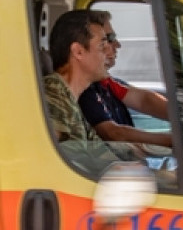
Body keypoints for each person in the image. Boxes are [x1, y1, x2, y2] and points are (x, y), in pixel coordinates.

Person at [40, 10, 134, 173]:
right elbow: (52, 168)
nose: (109, 52)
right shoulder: (53, 94)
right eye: (102, 45)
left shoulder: (72, 101)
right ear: (78, 52)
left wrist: (157, 175)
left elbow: (105, 159)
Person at [79, 10, 173, 151]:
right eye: (108, 39)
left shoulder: (106, 82)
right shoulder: (84, 88)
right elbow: (114, 133)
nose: (117, 45)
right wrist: (175, 140)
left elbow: (144, 100)